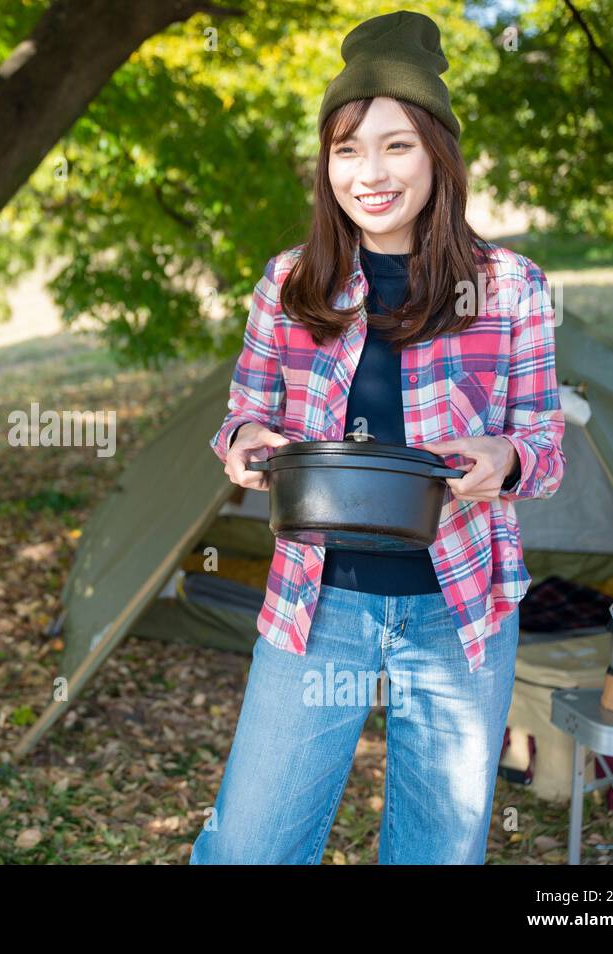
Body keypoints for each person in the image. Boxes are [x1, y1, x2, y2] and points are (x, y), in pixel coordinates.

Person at [189, 10, 566, 865]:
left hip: (458, 607)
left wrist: (508, 458)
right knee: (250, 846)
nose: (371, 173)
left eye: (397, 146)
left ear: (437, 154)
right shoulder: (289, 282)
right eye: (348, 148)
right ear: (326, 165)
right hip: (318, 602)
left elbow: (544, 444)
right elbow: (242, 416)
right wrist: (243, 442)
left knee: (437, 851)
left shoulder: (510, 287)